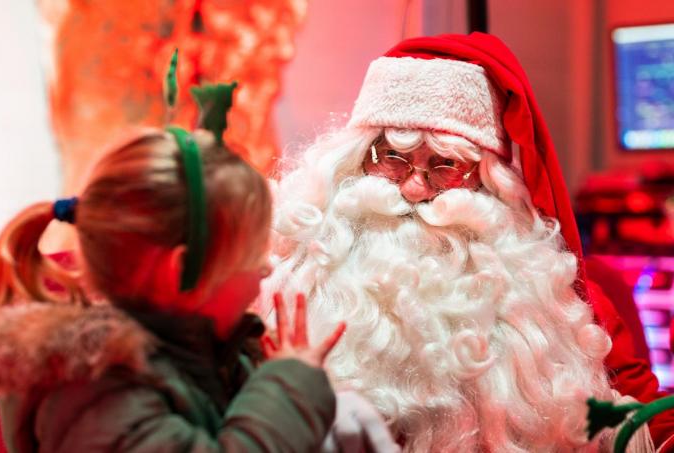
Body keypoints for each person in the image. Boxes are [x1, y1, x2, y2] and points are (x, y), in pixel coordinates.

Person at [261, 33, 674, 451]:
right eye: (392, 158)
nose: (415, 189)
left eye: (444, 166)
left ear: (487, 181)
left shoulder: (555, 301)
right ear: (358, 156)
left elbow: (639, 423)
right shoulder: (287, 270)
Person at [0, 126, 346, 452]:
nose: (266, 267)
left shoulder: (211, 354)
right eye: (252, 252)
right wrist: (288, 390)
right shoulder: (94, 389)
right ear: (183, 270)